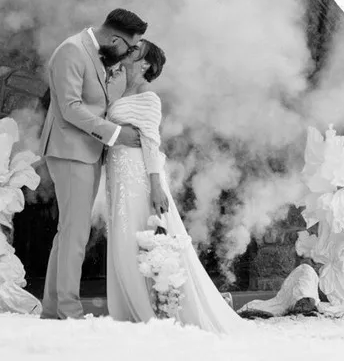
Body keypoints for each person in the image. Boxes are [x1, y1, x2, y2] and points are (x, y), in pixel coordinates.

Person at [103, 39, 243, 333]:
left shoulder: (148, 97)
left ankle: (151, 310)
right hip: (118, 175)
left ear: (145, 65)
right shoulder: (121, 92)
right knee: (121, 236)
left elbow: (151, 142)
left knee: (138, 236)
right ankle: (130, 309)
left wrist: (156, 186)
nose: (128, 52)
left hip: (138, 178)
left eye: (135, 51)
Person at [39, 8, 149, 321]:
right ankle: (70, 310)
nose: (130, 54)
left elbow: (100, 101)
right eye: (129, 48)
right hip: (70, 151)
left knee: (69, 231)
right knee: (75, 233)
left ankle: (53, 307)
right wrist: (116, 134)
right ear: (115, 38)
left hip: (85, 151)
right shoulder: (71, 51)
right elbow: (71, 108)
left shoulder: (101, 54)